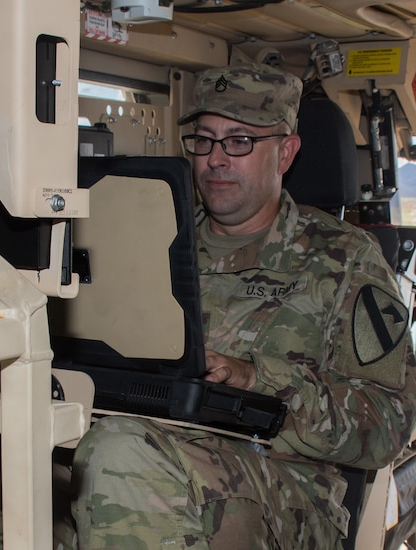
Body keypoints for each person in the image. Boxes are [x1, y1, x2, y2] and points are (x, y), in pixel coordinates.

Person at [70, 63, 416, 549]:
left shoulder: (344, 259)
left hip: (288, 491)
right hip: (143, 447)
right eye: (205, 140)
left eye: (239, 142)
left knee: (117, 455)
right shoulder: (149, 236)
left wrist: (260, 379)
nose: (216, 159)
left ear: (285, 152)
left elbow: (388, 425)